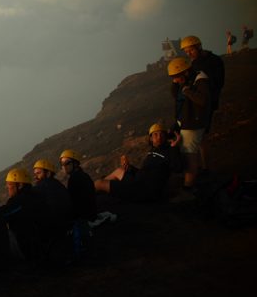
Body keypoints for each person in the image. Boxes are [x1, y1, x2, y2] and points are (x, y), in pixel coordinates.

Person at [94, 124, 180, 202]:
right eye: (155, 134)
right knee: (119, 170)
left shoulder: (169, 151)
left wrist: (174, 148)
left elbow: (177, 168)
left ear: (165, 136)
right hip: (138, 182)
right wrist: (130, 168)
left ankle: (86, 197)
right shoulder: (152, 152)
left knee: (99, 183)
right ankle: (97, 192)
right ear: (151, 138)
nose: (159, 137)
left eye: (162, 134)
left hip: (143, 190)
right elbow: (145, 172)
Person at [180, 35, 224, 171]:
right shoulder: (195, 63)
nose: (189, 54)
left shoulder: (214, 61)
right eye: (186, 52)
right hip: (198, 103)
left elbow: (218, 83)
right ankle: (201, 167)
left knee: (202, 137)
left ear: (199, 47)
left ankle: (204, 167)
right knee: (200, 138)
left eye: (191, 50)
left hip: (204, 104)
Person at [168, 56, 210, 193]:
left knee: (189, 155)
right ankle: (193, 180)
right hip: (187, 122)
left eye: (177, 77)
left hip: (193, 124)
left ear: (185, 72)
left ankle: (188, 188)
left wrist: (187, 91)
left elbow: (202, 101)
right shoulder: (185, 82)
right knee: (189, 153)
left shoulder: (199, 79)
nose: (174, 80)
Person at [2, 168, 52, 265]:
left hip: (32, 249)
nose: (7, 187)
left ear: (20, 185)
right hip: (47, 243)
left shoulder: (18, 201)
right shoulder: (36, 195)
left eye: (9, 184)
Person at [60, 149, 96, 259]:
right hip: (88, 214)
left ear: (75, 163)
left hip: (83, 217)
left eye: (67, 163)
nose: (64, 166)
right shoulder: (81, 175)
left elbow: (75, 203)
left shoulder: (75, 179)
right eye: (62, 164)